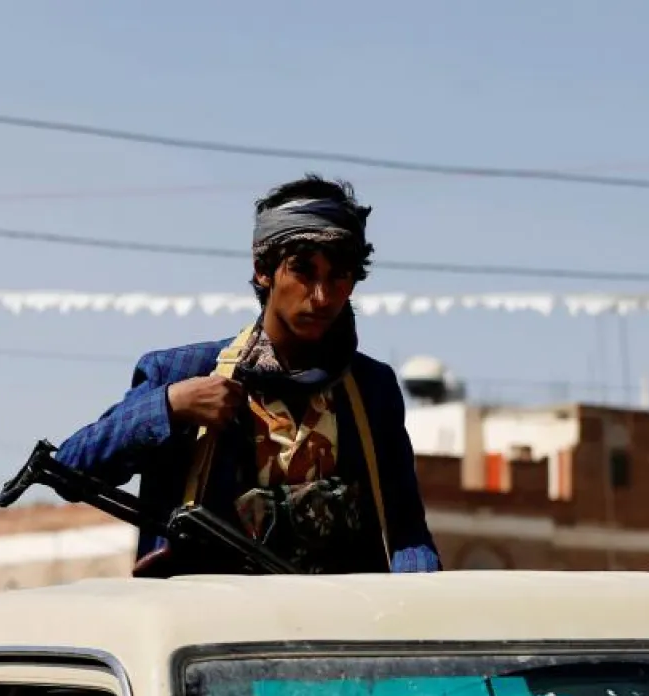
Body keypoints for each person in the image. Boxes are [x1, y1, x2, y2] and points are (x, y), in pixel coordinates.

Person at [55, 174, 439, 575]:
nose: (322, 296)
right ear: (263, 270)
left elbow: (405, 532)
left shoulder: (370, 389)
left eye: (339, 275)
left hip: (335, 628)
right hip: (217, 629)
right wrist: (170, 406)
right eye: (303, 272)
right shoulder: (183, 372)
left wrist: (418, 609)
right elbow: (71, 469)